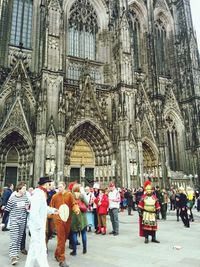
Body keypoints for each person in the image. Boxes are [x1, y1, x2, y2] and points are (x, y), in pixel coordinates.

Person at [24, 177, 58, 267]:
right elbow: (34, 211)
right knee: (41, 248)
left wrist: (53, 210)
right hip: (37, 226)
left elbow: (43, 208)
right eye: (49, 183)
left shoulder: (42, 193)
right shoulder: (38, 193)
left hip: (38, 225)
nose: (50, 185)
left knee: (33, 248)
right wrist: (38, 226)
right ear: (46, 184)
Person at [50, 181, 80, 267]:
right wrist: (53, 218)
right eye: (58, 187)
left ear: (64, 186)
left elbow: (74, 204)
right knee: (61, 238)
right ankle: (62, 259)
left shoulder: (69, 195)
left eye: (61, 187)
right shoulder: (55, 196)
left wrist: (76, 209)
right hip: (58, 220)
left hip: (67, 220)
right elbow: (51, 207)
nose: (59, 188)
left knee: (64, 238)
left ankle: (57, 254)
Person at [3, 182, 30, 265]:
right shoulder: (12, 198)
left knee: (19, 238)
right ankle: (13, 256)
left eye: (26, 188)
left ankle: (15, 253)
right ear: (19, 189)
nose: (25, 190)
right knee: (14, 238)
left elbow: (27, 208)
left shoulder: (25, 197)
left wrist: (27, 208)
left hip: (22, 221)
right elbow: (7, 210)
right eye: (24, 189)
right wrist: (3, 222)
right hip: (14, 220)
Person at [70, 183, 88, 256]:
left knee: (74, 234)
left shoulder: (70, 196)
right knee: (83, 233)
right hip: (82, 216)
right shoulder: (81, 195)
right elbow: (87, 204)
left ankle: (74, 251)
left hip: (74, 216)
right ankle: (84, 249)